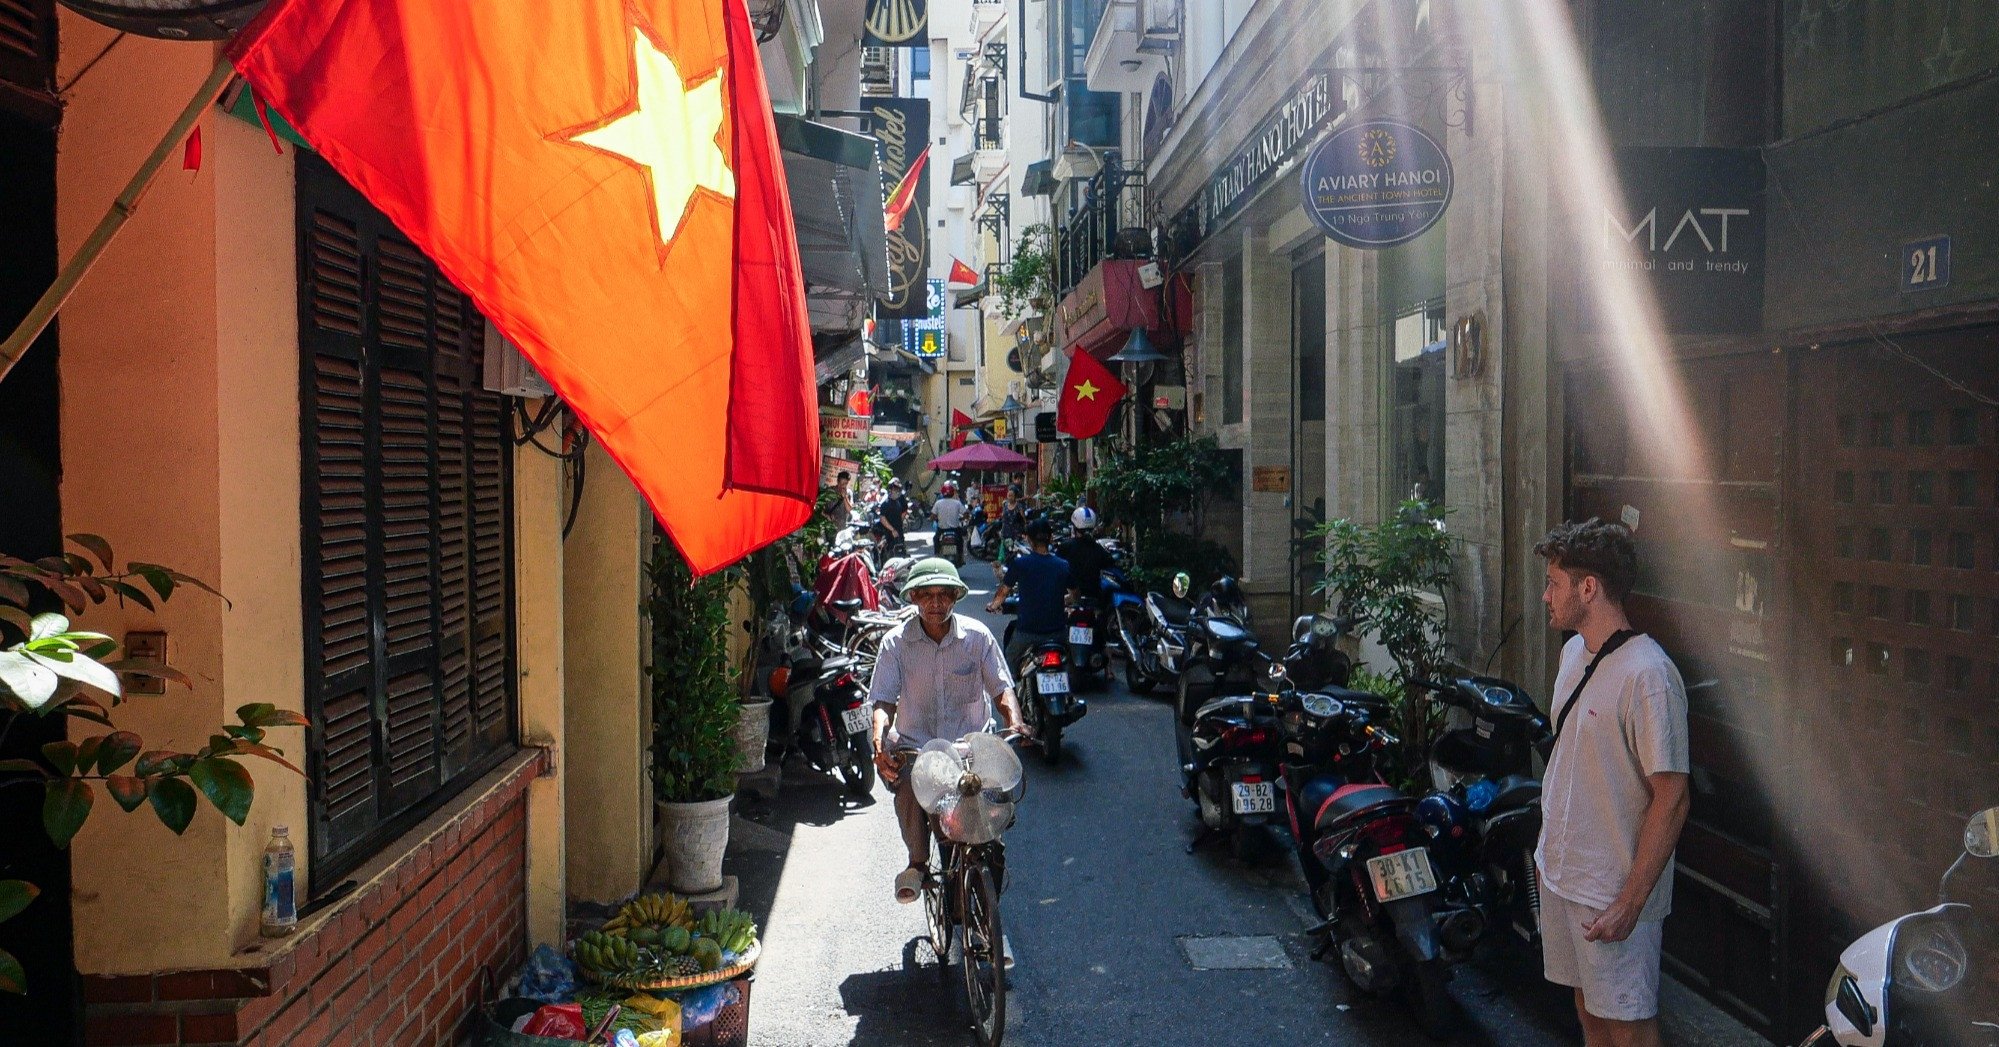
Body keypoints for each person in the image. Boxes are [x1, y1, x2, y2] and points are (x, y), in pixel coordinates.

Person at [1533, 519, 1690, 1047]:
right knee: (1588, 1011)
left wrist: (1630, 902)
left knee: (1630, 1029)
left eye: (1554, 582)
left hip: (1611, 888)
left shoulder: (1649, 675)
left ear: (1588, 587)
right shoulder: (1574, 652)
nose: (1545, 595)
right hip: (1564, 875)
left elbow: (1672, 798)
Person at [869, 558, 1030, 903]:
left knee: (995, 805)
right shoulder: (895, 644)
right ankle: (917, 862)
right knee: (908, 784)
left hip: (971, 746)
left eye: (944, 595)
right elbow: (883, 701)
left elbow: (1001, 688)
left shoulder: (977, 637)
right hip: (920, 748)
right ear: (913, 598)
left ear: (956, 597)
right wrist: (879, 740)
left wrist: (1014, 723)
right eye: (926, 595)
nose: (936, 603)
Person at [985, 519, 1070, 669]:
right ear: (1050, 538)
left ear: (1029, 540)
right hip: (1058, 633)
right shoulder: (1063, 565)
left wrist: (993, 606)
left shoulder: (1020, 564)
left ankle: (1009, 691)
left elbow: (1003, 592)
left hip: (1027, 632)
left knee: (1008, 666)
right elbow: (1074, 595)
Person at [1056, 505, 1112, 601]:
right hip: (1093, 596)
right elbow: (1109, 562)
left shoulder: (1065, 547)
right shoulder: (1098, 548)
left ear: (1074, 527)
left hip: (1070, 597)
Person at [932, 481, 967, 562]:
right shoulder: (957, 503)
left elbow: (933, 516)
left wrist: (933, 518)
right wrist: (961, 519)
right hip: (955, 529)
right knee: (960, 541)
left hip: (942, 529)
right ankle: (961, 557)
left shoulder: (938, 503)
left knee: (936, 539)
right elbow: (965, 513)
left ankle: (936, 556)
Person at [877, 479, 910, 556]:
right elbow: (882, 519)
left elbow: (903, 512)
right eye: (895, 489)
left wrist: (899, 522)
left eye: (898, 490)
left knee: (901, 552)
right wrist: (892, 530)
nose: (897, 492)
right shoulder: (886, 503)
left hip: (899, 532)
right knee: (891, 553)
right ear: (891, 490)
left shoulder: (898, 502)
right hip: (889, 534)